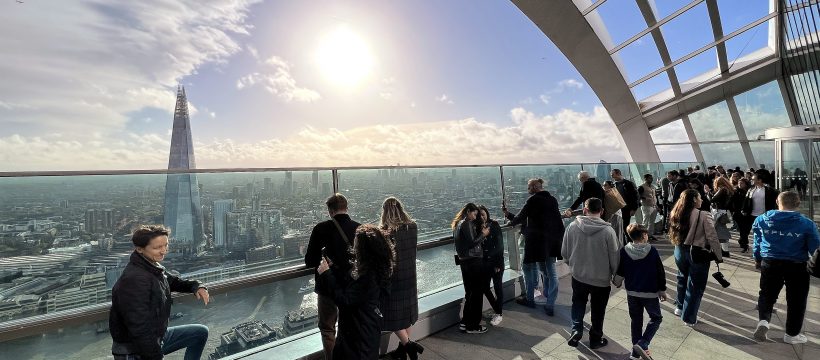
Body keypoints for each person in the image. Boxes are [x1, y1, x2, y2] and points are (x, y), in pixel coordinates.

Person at [109, 225, 210, 360]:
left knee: (199, 333)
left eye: (165, 245)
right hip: (134, 350)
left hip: (157, 336)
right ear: (139, 249)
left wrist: (196, 286)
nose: (163, 251)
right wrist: (156, 356)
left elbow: (173, 282)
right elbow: (140, 329)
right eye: (157, 248)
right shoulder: (134, 280)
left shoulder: (152, 266)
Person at [317, 225, 396, 359]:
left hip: (356, 337)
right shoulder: (379, 270)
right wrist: (333, 269)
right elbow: (356, 293)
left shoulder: (367, 277)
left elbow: (344, 300)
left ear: (364, 250)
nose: (354, 248)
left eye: (356, 244)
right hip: (368, 332)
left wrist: (326, 274)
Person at [752, 191, 820, 344]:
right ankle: (791, 334)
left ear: (777, 201)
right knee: (797, 300)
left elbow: (757, 242)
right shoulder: (807, 224)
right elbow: (815, 249)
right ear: (798, 204)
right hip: (797, 266)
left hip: (770, 262)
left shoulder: (761, 219)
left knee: (766, 295)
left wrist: (757, 258)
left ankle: (763, 321)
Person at [305, 193, 361, 359]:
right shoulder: (359, 228)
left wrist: (325, 259)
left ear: (330, 211)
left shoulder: (321, 228)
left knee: (328, 328)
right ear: (347, 208)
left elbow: (309, 260)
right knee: (352, 325)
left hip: (327, 287)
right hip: (353, 285)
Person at [561, 198, 620, 349]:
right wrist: (616, 276)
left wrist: (574, 266)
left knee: (578, 304)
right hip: (600, 280)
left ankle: (576, 330)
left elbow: (565, 253)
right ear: (601, 211)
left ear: (584, 210)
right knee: (598, 310)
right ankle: (595, 339)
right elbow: (615, 256)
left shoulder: (572, 227)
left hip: (579, 277)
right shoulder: (608, 231)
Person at [505, 178, 564, 316]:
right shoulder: (552, 199)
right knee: (550, 270)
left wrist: (511, 221)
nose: (528, 190)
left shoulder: (533, 200)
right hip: (552, 242)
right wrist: (510, 216)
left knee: (528, 268)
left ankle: (530, 299)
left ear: (535, 187)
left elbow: (521, 216)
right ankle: (550, 302)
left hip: (537, 242)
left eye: (529, 187)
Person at [669, 189, 723, 326]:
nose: (702, 200)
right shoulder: (703, 215)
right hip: (697, 252)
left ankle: (680, 307)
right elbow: (712, 236)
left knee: (682, 277)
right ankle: (689, 317)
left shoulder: (676, 212)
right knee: (695, 285)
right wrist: (718, 255)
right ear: (693, 199)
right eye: (699, 197)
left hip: (679, 250)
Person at [613, 224, 667, 360]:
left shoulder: (624, 251)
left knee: (636, 321)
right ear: (644, 236)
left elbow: (620, 270)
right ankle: (643, 344)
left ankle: (635, 353)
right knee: (656, 318)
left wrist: (617, 282)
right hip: (650, 293)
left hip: (632, 293)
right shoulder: (652, 251)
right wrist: (662, 290)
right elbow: (660, 272)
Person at [378, 197, 423, 360]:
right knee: (406, 315)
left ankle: (408, 347)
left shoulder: (384, 232)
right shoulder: (413, 227)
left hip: (393, 279)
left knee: (393, 316)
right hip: (410, 276)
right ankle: (402, 350)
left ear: (384, 212)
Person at [453, 202, 490, 333]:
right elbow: (472, 242)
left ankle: (465, 322)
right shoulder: (466, 223)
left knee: (470, 293)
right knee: (476, 294)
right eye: (474, 213)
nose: (475, 216)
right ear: (468, 211)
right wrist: (483, 234)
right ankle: (473, 326)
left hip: (465, 263)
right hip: (474, 262)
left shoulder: (458, 224)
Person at [479, 205, 505, 326]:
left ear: (487, 214)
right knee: (484, 287)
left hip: (495, 263)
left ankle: (499, 313)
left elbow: (500, 245)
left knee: (498, 287)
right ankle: (496, 309)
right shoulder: (477, 228)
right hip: (484, 264)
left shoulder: (494, 225)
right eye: (479, 215)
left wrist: (498, 263)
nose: (481, 216)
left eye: (483, 214)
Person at [708, 176, 734, 258]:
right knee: (720, 231)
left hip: (718, 213)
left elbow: (712, 200)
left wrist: (707, 193)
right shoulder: (726, 190)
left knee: (720, 232)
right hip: (722, 212)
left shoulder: (722, 190)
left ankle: (724, 251)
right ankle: (724, 250)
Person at [612, 168, 640, 238]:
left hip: (626, 209)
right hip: (617, 209)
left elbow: (635, 196)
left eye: (613, 174)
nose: (612, 176)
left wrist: (634, 209)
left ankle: (629, 241)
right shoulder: (613, 185)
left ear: (618, 174)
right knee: (619, 226)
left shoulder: (628, 184)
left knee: (625, 226)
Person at [731, 178, 753, 252]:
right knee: (742, 230)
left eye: (742, 183)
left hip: (748, 214)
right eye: (739, 183)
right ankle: (745, 245)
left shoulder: (750, 192)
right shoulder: (736, 192)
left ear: (746, 184)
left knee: (746, 230)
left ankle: (742, 241)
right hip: (738, 214)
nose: (740, 185)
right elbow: (732, 202)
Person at [602, 180, 625, 246]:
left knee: (615, 234)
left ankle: (618, 250)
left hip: (614, 215)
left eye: (605, 185)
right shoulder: (614, 192)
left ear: (610, 186)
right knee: (618, 234)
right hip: (617, 215)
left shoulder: (609, 193)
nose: (603, 186)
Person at [638, 174, 658, 241]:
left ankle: (650, 235)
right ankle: (642, 236)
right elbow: (638, 196)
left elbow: (654, 196)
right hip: (646, 206)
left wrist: (657, 205)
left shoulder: (652, 186)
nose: (651, 179)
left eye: (651, 178)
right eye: (650, 178)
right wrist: (644, 198)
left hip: (653, 206)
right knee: (645, 222)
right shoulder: (641, 187)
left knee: (652, 222)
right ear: (645, 179)